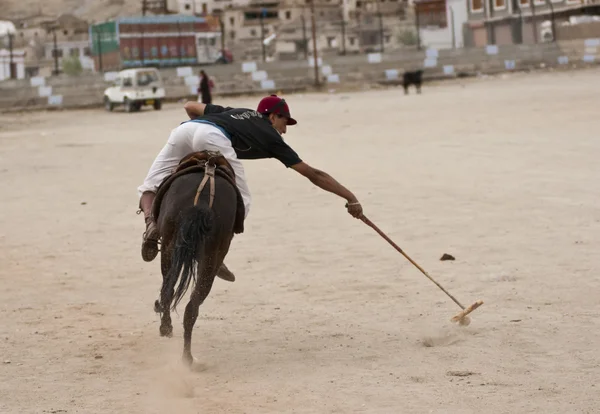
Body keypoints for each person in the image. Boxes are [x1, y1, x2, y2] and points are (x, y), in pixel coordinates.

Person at [137, 94, 364, 282]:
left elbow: (190, 106)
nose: (285, 130)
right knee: (242, 200)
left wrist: (195, 148)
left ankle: (150, 225)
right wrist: (350, 197)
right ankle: (214, 254)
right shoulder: (271, 137)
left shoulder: (233, 111)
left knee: (150, 185)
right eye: (285, 122)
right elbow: (313, 174)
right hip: (214, 137)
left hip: (186, 130)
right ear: (273, 116)